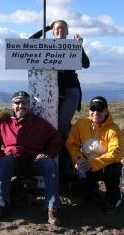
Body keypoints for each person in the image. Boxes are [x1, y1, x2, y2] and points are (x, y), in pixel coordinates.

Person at [0, 91, 63, 225]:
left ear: (29, 105)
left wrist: (49, 154)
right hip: (13, 162)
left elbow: (56, 139)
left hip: (34, 162)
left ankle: (52, 207)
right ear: (12, 105)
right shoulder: (3, 124)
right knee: (5, 161)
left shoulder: (39, 123)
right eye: (17, 102)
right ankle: (0, 204)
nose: (21, 106)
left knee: (49, 164)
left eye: (24, 103)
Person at [30, 20, 90, 185]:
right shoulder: (46, 46)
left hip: (70, 90)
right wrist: (45, 29)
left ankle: (74, 157)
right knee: (51, 127)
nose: (60, 30)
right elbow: (29, 41)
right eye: (56, 28)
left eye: (63, 28)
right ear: (52, 30)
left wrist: (79, 46)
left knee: (63, 126)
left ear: (67, 31)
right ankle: (62, 161)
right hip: (49, 90)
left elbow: (86, 64)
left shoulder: (72, 46)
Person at [66, 96, 124, 213]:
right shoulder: (81, 124)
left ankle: (114, 199)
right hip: (87, 163)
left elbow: (115, 154)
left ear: (106, 112)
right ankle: (92, 191)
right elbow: (72, 145)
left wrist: (92, 164)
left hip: (107, 166)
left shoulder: (114, 130)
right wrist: (79, 160)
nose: (95, 113)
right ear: (89, 111)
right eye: (93, 109)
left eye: (100, 110)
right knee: (77, 183)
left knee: (113, 171)